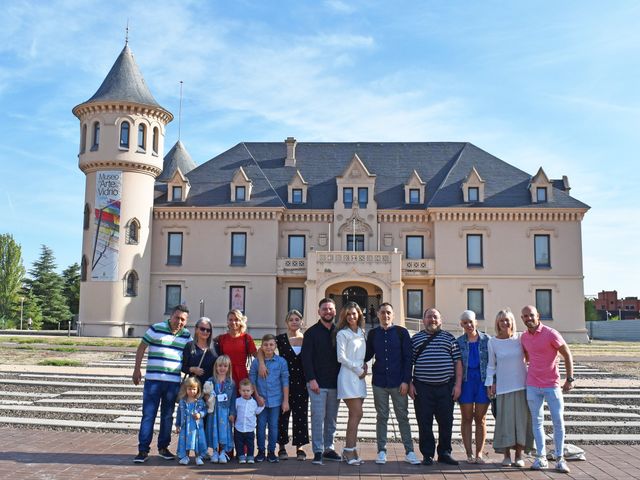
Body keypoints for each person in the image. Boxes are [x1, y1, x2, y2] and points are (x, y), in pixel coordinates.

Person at [132, 304, 191, 463]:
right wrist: (137, 369)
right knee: (148, 415)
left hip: (172, 383)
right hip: (153, 381)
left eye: (183, 319)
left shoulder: (186, 336)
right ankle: (143, 450)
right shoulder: (156, 329)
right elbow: (141, 348)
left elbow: (192, 354)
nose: (179, 321)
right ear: (171, 316)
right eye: (177, 317)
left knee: (167, 417)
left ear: (186, 321)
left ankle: (163, 447)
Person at [520, 305, 574, 474]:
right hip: (532, 385)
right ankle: (541, 457)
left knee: (558, 422)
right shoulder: (524, 337)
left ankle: (560, 459)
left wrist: (570, 378)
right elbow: (527, 357)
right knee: (537, 422)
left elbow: (567, 354)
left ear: (538, 316)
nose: (528, 318)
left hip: (552, 385)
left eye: (531, 315)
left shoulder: (551, 333)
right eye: (525, 316)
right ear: (522, 319)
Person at [365, 302, 420, 465]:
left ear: (393, 315)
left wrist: (406, 381)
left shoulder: (402, 333)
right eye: (382, 312)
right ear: (378, 315)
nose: (385, 315)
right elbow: (367, 355)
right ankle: (381, 450)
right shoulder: (373, 334)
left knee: (402, 417)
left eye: (388, 312)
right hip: (379, 382)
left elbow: (408, 358)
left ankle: (409, 451)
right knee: (382, 417)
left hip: (398, 383)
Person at [409, 307, 462, 466]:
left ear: (440, 320)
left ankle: (445, 452)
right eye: (429, 317)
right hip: (422, 388)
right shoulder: (416, 339)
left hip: (445, 387)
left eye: (435, 317)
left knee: (446, 422)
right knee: (424, 422)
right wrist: (410, 383)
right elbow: (408, 363)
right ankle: (427, 454)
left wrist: (458, 385)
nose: (432, 320)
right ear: (424, 320)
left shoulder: (450, 338)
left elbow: (457, 362)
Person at [485, 308, 533, 468]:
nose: (505, 323)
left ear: (512, 321)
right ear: (497, 323)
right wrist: (489, 383)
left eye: (507, 320)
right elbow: (491, 366)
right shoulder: (492, 342)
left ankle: (519, 455)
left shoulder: (520, 338)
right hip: (503, 388)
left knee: (521, 421)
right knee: (504, 423)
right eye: (501, 320)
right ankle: (506, 456)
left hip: (522, 386)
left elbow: (531, 356)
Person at [301, 297, 342, 465]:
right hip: (317, 384)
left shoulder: (340, 332)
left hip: (336, 384)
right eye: (324, 309)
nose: (328, 312)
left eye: (330, 309)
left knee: (331, 418)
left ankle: (328, 448)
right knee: (318, 418)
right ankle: (317, 450)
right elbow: (306, 359)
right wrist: (311, 379)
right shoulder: (311, 333)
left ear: (335, 311)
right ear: (319, 312)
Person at [335, 301, 368, 465]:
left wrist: (365, 366)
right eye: (348, 314)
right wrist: (358, 370)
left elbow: (361, 355)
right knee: (357, 414)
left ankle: (351, 450)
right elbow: (341, 358)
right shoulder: (342, 334)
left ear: (359, 314)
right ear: (344, 316)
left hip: (360, 377)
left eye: (354, 313)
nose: (351, 316)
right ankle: (348, 450)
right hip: (349, 376)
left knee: (354, 416)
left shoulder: (362, 331)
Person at [456, 310, 491, 464]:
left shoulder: (487, 340)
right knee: (467, 418)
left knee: (481, 419)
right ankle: (469, 454)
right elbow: (456, 364)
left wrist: (492, 383)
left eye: (471, 322)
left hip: (483, 382)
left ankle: (479, 453)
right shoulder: (459, 342)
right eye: (465, 323)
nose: (468, 325)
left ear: (476, 322)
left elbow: (493, 363)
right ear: (461, 325)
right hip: (466, 382)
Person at [249, 334, 290, 463]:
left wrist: (285, 401)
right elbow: (252, 380)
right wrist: (257, 396)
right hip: (260, 400)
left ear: (275, 346)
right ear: (262, 346)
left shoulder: (281, 362)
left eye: (271, 344)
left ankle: (272, 451)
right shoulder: (256, 363)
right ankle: (261, 451)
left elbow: (285, 382)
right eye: (266, 345)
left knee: (273, 426)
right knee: (260, 426)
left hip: (276, 400)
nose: (268, 347)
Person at [275, 309, 309, 461]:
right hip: (283, 382)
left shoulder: (307, 339)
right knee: (283, 414)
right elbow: (263, 349)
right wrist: (262, 363)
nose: (294, 322)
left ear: (301, 322)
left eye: (297, 319)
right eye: (291, 319)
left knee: (300, 415)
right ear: (286, 323)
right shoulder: (280, 339)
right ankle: (281, 446)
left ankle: (300, 447)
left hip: (302, 382)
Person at [203, 355, 236, 464]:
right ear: (216, 367)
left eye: (225, 366)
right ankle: (215, 452)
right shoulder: (210, 381)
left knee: (224, 432)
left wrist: (232, 413)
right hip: (214, 412)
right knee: (214, 431)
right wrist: (207, 398)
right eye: (220, 366)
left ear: (229, 368)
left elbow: (233, 400)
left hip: (225, 412)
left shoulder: (231, 383)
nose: (222, 368)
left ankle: (223, 452)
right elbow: (205, 395)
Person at [217, 309, 258, 390]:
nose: (233, 322)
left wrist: (262, 366)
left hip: (241, 375)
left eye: (236, 320)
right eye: (230, 320)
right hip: (226, 374)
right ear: (227, 322)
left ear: (241, 321)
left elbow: (257, 356)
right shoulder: (222, 338)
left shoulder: (246, 338)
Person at [175, 376, 208, 465]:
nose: (192, 391)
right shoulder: (182, 401)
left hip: (196, 427)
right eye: (189, 389)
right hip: (185, 426)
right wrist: (177, 425)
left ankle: (198, 457)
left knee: (196, 441)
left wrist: (199, 414)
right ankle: (186, 456)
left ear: (198, 389)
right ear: (186, 389)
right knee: (185, 441)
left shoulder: (200, 401)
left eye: (194, 389)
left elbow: (205, 410)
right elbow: (179, 414)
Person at [234, 378, 265, 464]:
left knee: (250, 443)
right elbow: (235, 411)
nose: (246, 393)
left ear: (252, 391)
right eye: (243, 391)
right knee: (239, 443)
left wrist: (262, 406)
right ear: (240, 391)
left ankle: (250, 456)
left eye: (248, 390)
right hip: (239, 427)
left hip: (250, 428)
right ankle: (241, 456)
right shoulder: (237, 401)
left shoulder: (254, 403)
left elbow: (257, 412)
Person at [182, 316, 218, 386]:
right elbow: (183, 367)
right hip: (194, 388)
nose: (205, 332)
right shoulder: (189, 346)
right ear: (196, 329)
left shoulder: (215, 346)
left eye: (208, 330)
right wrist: (192, 369)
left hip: (211, 387)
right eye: (202, 329)